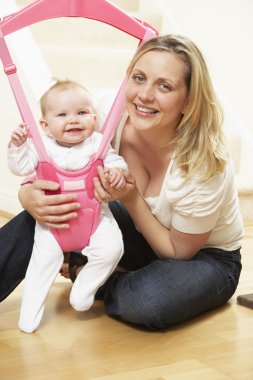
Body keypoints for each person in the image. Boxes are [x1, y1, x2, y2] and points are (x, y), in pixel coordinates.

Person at [1, 35, 243, 331]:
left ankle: (86, 271)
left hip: (203, 258)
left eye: (164, 86)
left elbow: (178, 252)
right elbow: (50, 152)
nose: (144, 95)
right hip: (135, 233)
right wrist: (28, 194)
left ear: (188, 101)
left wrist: (130, 198)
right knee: (50, 212)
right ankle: (102, 264)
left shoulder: (204, 164)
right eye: (139, 78)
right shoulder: (101, 113)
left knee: (146, 302)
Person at [6, 79, 127, 333]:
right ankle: (28, 318)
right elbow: (20, 167)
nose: (73, 120)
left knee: (113, 247)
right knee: (40, 268)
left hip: (95, 220)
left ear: (93, 118)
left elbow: (116, 162)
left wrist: (117, 172)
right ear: (45, 126)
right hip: (54, 226)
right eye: (62, 115)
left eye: (82, 113)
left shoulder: (98, 143)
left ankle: (83, 288)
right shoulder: (40, 147)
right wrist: (17, 146)